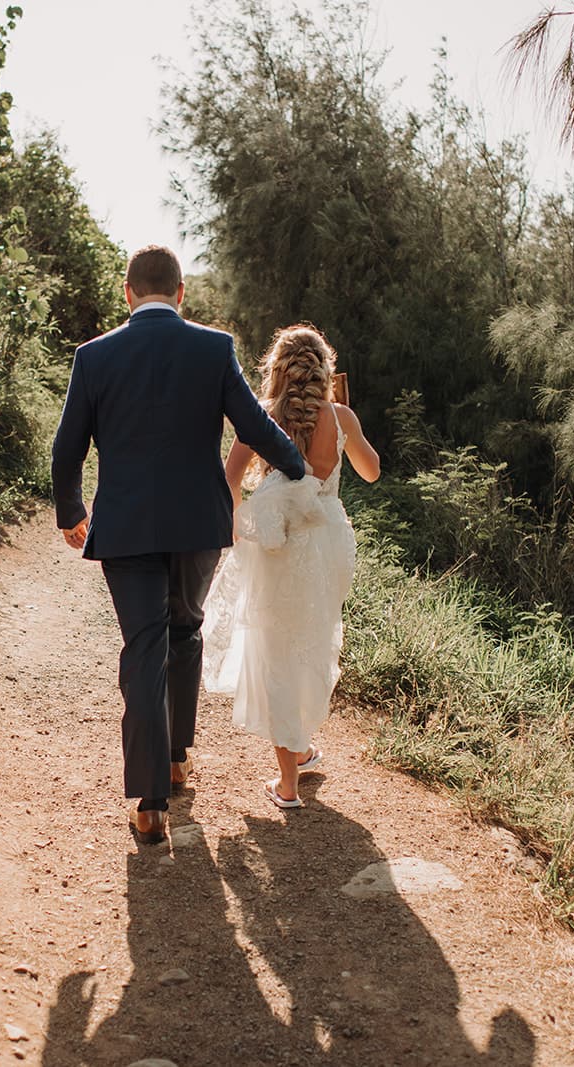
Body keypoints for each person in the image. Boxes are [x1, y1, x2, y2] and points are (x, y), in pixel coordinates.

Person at [51, 245, 306, 844]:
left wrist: (71, 511)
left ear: (128, 292)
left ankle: (149, 800)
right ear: (182, 292)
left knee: (144, 646)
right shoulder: (213, 348)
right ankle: (175, 755)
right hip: (197, 526)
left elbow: (68, 447)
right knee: (185, 630)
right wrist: (299, 469)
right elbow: (254, 426)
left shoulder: (94, 356)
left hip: (126, 527)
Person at [201, 325, 380, 809]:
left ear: (277, 371)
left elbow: (228, 478)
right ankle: (298, 750)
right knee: (310, 644)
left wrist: (240, 527)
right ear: (323, 370)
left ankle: (288, 782)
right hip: (325, 547)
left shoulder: (261, 418)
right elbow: (372, 470)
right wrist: (344, 423)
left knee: (276, 651)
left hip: (279, 549)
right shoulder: (341, 417)